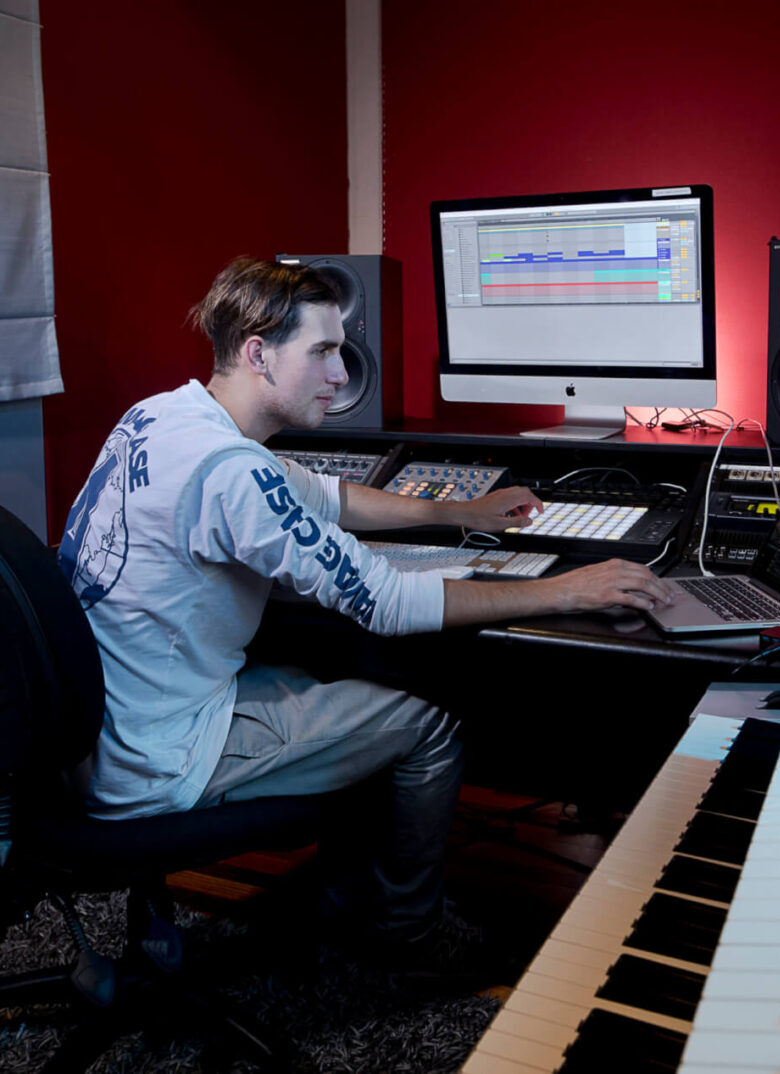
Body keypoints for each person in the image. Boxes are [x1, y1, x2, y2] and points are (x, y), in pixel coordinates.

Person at [58, 257, 673, 972]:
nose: (342, 374)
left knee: (324, 667)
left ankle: (342, 893)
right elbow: (390, 602)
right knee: (427, 722)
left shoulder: (164, 416)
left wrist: (453, 510)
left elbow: (328, 497)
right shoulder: (233, 474)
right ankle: (407, 937)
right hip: (160, 755)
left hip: (98, 735)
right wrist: (568, 590)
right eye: (321, 351)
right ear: (258, 353)